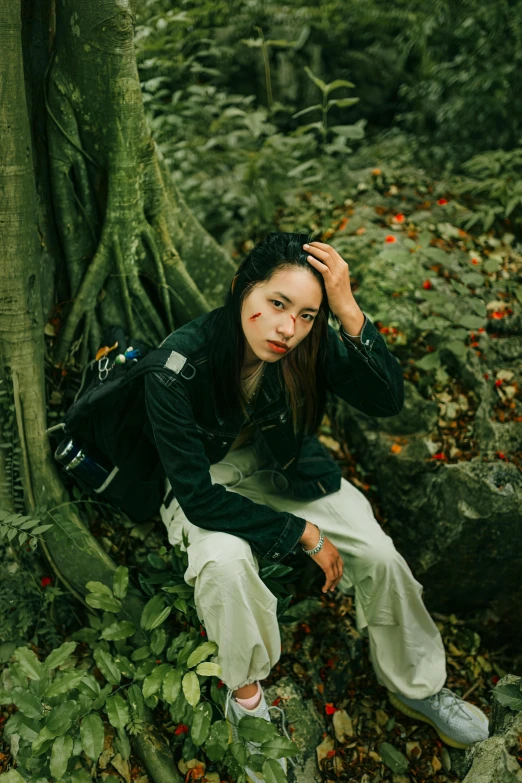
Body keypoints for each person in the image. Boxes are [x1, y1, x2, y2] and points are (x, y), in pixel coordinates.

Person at [144, 232, 488, 777]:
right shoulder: (175, 367)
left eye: (307, 315)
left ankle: (418, 686)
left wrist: (346, 307)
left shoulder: (309, 343)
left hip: (288, 468)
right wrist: (303, 535)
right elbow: (198, 496)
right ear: (240, 290)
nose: (288, 329)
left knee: (378, 554)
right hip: (208, 487)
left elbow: (387, 400)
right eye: (277, 304)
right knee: (226, 566)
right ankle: (249, 705)